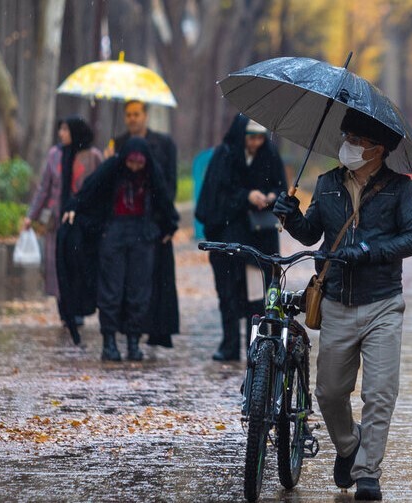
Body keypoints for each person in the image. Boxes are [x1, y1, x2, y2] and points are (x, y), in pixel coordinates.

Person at [272, 109, 412, 501]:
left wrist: (370, 250)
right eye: (347, 137)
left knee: (379, 393)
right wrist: (290, 218)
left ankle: (368, 473)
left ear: (378, 149)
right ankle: (347, 444)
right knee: (329, 392)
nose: (349, 145)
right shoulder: (326, 185)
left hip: (383, 304)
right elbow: (311, 233)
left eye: (357, 140)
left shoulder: (401, 189)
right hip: (337, 301)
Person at [63, 138, 178, 362]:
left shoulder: (151, 173)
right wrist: (74, 208)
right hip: (113, 233)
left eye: (139, 163)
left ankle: (133, 341)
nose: (134, 167)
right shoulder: (112, 169)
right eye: (131, 162)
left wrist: (168, 225)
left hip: (142, 235)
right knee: (111, 291)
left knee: (139, 291)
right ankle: (109, 342)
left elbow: (163, 200)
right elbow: (89, 191)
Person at [194, 115, 287, 361]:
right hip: (229, 237)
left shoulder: (270, 156)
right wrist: (245, 197)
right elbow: (215, 196)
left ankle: (254, 345)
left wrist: (269, 197)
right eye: (251, 137)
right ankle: (230, 344)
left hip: (259, 240)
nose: (256, 143)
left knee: (256, 297)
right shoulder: (224, 156)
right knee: (228, 294)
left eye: (260, 137)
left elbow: (281, 189)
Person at [111, 100, 181, 348]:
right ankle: (129, 330)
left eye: (136, 114)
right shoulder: (117, 144)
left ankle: (155, 329)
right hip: (126, 223)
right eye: (128, 114)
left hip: (155, 223)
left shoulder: (164, 144)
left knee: (155, 280)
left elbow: (169, 184)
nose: (132, 119)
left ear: (145, 115)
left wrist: (164, 220)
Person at [24, 116, 103, 313]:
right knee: (58, 265)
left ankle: (79, 309)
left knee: (78, 264)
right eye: (61, 129)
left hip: (82, 222)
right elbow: (44, 188)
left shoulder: (92, 156)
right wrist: (31, 216)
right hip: (57, 222)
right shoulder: (55, 155)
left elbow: (102, 187)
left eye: (66, 130)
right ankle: (64, 308)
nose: (61, 134)